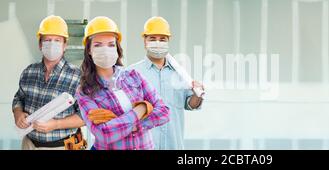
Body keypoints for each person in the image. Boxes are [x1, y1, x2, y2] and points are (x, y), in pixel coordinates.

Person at [75, 16, 170, 150]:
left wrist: (128, 125)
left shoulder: (134, 76)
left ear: (117, 48)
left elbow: (164, 112)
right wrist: (141, 109)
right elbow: (104, 134)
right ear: (89, 50)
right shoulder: (85, 91)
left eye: (111, 44)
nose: (105, 49)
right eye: (98, 45)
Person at [128, 16, 204, 150]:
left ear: (168, 41)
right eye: (152, 38)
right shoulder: (131, 73)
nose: (158, 42)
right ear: (145, 41)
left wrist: (197, 95)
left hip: (174, 145)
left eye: (162, 39)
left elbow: (190, 105)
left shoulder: (180, 73)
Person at [12, 15, 84, 150]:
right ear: (40, 44)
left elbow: (86, 116)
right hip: (29, 144)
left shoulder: (77, 76)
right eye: (47, 40)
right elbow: (19, 98)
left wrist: (56, 124)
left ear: (65, 45)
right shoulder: (29, 72)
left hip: (63, 146)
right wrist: (18, 113)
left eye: (57, 40)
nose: (52, 44)